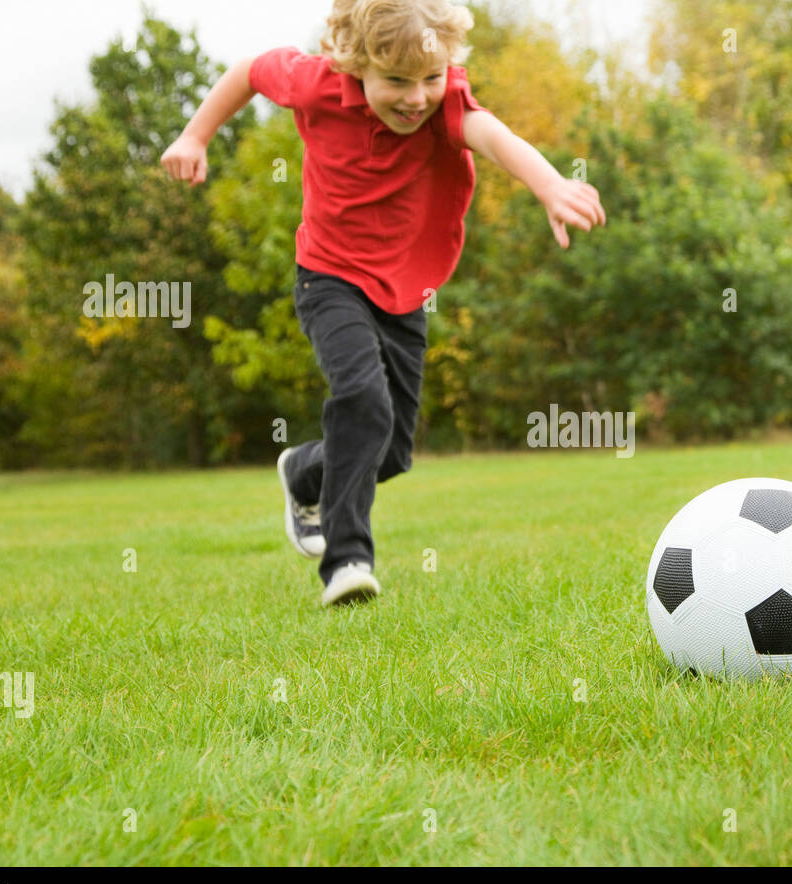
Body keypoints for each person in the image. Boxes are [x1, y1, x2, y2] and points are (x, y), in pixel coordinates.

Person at [161, 0, 606, 606]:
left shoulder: (444, 100)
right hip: (329, 276)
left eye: (430, 78)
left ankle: (305, 472)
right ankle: (348, 560)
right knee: (363, 399)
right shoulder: (314, 83)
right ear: (356, 63)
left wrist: (551, 184)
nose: (416, 97)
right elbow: (246, 72)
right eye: (396, 81)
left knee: (391, 449)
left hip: (404, 293)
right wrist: (195, 135)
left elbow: (493, 137)